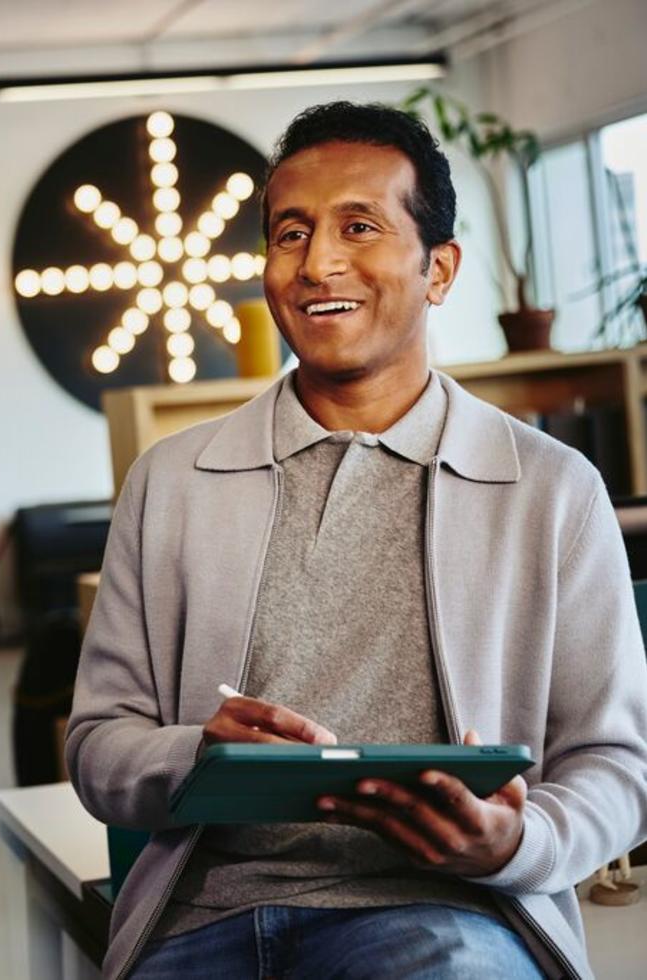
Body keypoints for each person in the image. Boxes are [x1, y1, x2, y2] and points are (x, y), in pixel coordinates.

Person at [66, 101, 647, 980]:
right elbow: (96, 744)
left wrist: (513, 841)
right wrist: (198, 753)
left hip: (448, 914)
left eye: (359, 227)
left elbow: (616, 764)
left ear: (438, 269)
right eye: (289, 233)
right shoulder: (171, 482)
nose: (317, 263)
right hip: (202, 920)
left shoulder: (554, 489)